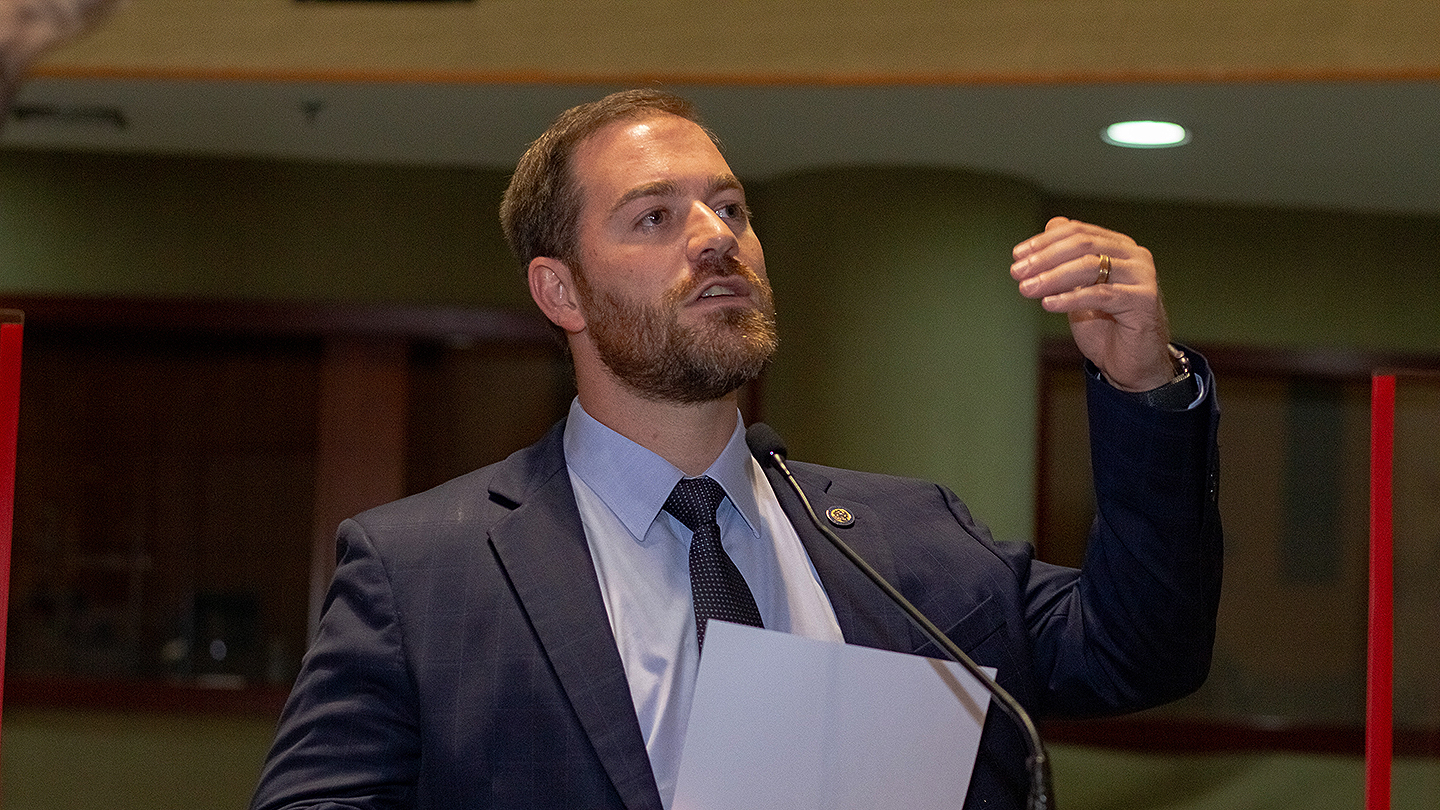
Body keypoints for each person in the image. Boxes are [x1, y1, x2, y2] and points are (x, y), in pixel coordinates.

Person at [250, 88, 1222, 810]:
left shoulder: (909, 544)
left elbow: (1141, 650)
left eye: (731, 208)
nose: (716, 237)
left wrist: (1145, 385)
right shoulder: (422, 571)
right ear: (561, 291)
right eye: (655, 217)